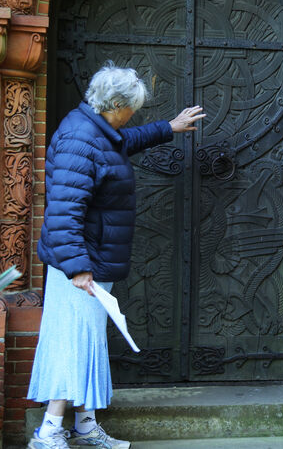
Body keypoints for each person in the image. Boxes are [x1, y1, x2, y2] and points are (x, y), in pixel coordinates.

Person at [27, 62, 205, 449]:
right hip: (79, 265)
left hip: (91, 261)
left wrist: (166, 128)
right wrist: (77, 268)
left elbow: (121, 143)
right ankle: (48, 432)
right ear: (117, 104)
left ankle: (85, 427)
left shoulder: (95, 130)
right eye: (132, 110)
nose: (133, 117)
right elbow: (63, 212)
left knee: (87, 342)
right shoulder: (80, 138)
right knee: (73, 343)